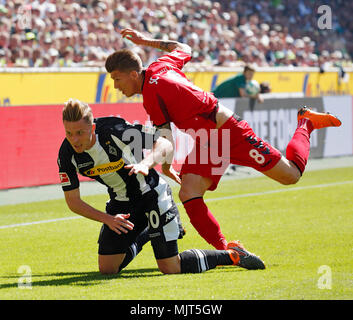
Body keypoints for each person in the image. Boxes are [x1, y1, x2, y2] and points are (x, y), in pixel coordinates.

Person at [104, 28, 341, 252]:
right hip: (207, 139)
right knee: (189, 193)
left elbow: (165, 137)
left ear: (134, 74)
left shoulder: (153, 95)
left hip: (229, 132)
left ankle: (306, 122)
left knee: (291, 175)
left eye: (117, 79)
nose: (116, 86)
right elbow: (184, 47)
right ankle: (227, 251)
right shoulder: (160, 64)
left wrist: (158, 164)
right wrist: (144, 41)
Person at [57, 98, 265, 275]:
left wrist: (147, 163)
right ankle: (149, 231)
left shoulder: (115, 131)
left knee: (169, 267)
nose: (74, 140)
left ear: (92, 128)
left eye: (80, 133)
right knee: (108, 269)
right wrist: (108, 219)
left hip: (152, 196)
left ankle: (233, 255)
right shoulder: (66, 154)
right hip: (121, 204)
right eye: (69, 133)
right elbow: (73, 202)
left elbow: (164, 141)